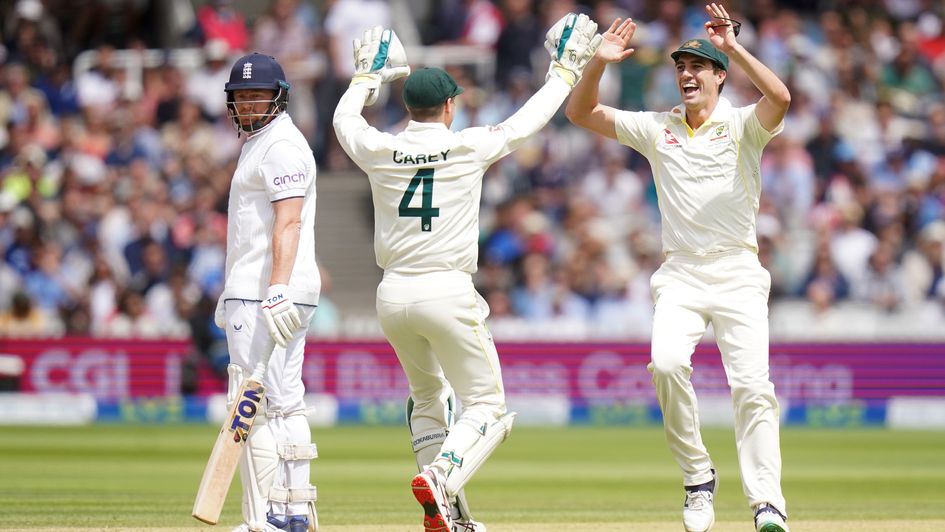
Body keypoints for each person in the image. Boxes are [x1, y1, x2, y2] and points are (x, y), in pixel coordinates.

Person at [333, 18, 601, 532]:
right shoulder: (468, 145)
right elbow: (528, 120)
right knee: (487, 406)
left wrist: (365, 79)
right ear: (450, 106)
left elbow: (345, 121)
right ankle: (443, 475)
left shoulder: (378, 149)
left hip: (392, 296)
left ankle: (449, 516)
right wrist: (565, 71)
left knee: (429, 397)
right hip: (447, 289)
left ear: (409, 107)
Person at [565, 4, 791, 532]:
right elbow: (581, 113)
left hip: (737, 271)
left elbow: (779, 97)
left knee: (753, 387)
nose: (687, 75)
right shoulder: (657, 128)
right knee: (666, 365)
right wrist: (598, 63)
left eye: (698, 67)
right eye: (680, 68)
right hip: (682, 275)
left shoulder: (742, 126)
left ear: (718, 76)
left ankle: (767, 504)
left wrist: (733, 46)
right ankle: (697, 477)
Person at [215, 52, 321, 532]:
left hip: (266, 292)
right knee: (285, 402)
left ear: (278, 96)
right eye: (241, 96)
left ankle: (264, 521)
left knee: (250, 401)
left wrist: (275, 287)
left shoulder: (280, 145)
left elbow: (289, 221)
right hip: (271, 290)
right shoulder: (260, 144)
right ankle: (294, 511)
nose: (249, 103)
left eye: (258, 95)